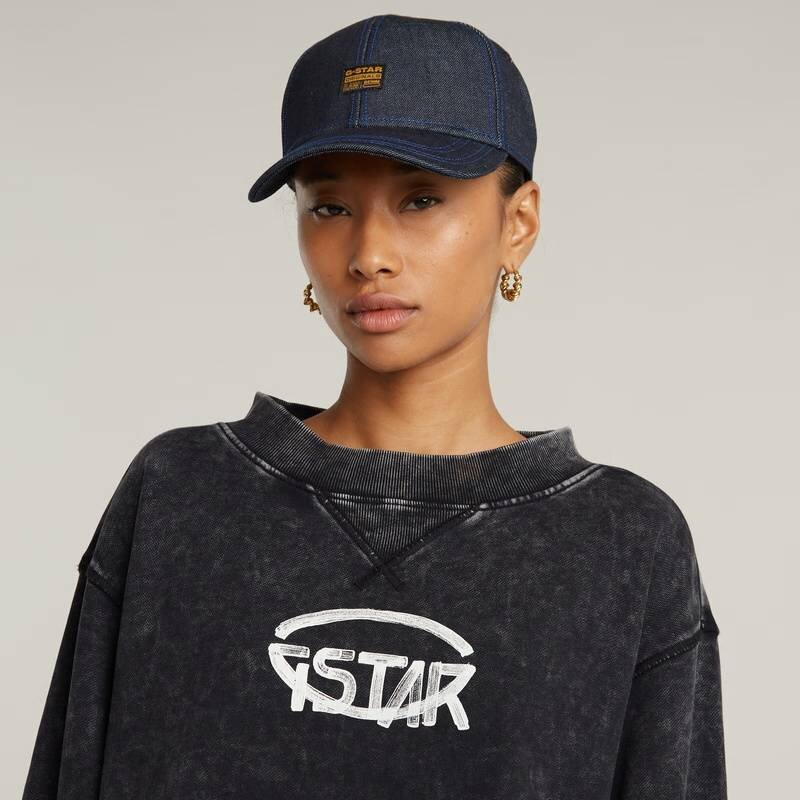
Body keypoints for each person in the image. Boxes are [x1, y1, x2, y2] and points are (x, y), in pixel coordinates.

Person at [22, 14, 727, 800]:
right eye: (330, 207)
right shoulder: (179, 495)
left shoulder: (624, 543)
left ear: (518, 223)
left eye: (420, 199)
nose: (368, 256)